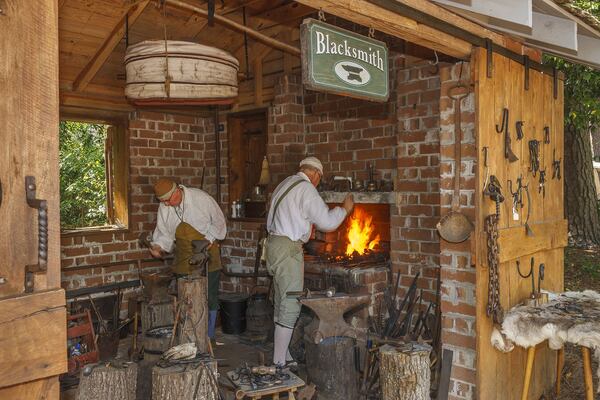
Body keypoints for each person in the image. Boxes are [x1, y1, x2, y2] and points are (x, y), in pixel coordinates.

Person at [266, 156, 354, 367]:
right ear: (315, 174)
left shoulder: (285, 183)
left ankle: (284, 355)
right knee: (291, 304)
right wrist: (344, 208)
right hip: (288, 249)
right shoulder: (306, 189)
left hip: (272, 245)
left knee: (281, 301)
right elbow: (327, 222)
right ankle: (278, 363)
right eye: (319, 179)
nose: (318, 183)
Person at [149, 178, 226, 340]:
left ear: (177, 191)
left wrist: (208, 240)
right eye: (163, 202)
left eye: (168, 200)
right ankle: (189, 334)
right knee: (185, 296)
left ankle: (208, 335)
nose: (167, 205)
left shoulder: (201, 199)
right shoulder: (165, 206)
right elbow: (165, 233)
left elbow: (219, 223)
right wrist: (158, 246)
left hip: (207, 251)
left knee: (209, 296)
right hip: (183, 256)